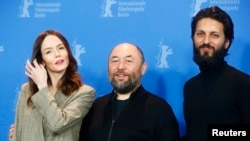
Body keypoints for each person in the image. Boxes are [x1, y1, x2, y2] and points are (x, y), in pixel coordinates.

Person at [79, 42, 180, 141]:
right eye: (115, 61)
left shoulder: (159, 109)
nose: (120, 67)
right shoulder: (95, 107)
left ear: (143, 68)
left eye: (128, 61)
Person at [9, 29, 96, 141]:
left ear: (68, 53)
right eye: (48, 52)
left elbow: (58, 124)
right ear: (42, 61)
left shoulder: (84, 93)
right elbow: (18, 134)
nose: (57, 54)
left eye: (61, 48)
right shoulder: (27, 89)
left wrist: (42, 87)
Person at [183, 6, 250, 141]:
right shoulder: (190, 87)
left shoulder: (243, 84)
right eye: (200, 33)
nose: (206, 41)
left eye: (215, 35)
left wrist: (215, 133)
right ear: (193, 38)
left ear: (226, 43)